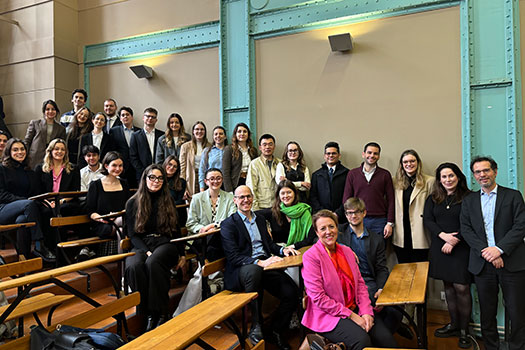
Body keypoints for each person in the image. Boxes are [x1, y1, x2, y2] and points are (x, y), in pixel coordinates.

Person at [301, 210, 396, 350]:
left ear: (337, 227)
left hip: (353, 306)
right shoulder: (311, 256)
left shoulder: (346, 251)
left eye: (331, 226)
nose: (328, 231)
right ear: (316, 232)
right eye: (322, 228)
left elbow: (360, 286)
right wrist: (352, 316)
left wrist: (366, 312)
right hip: (327, 315)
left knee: (387, 341)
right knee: (362, 341)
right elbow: (319, 298)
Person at [220, 185, 299, 349]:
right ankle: (256, 325)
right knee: (254, 271)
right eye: (241, 197)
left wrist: (282, 250)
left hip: (265, 266)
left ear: (252, 198)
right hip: (242, 269)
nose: (245, 200)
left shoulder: (261, 220)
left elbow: (269, 245)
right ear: (234, 200)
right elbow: (234, 257)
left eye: (248, 196)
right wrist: (260, 262)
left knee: (291, 291)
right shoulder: (228, 224)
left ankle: (275, 330)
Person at [460, 156, 525, 350]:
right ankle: (491, 347)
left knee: (517, 311)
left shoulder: (513, 196)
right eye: (478, 172)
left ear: (495, 171)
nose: (482, 175)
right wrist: (487, 252)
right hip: (483, 264)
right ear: (474, 176)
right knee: (487, 312)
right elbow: (466, 229)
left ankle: (517, 346)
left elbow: (520, 226)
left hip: (512, 263)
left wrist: (499, 250)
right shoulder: (469, 201)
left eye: (486, 170)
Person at [125, 164, 186, 331]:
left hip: (165, 243)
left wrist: (182, 254)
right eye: (152, 177)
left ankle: (160, 312)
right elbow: (133, 235)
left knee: (153, 262)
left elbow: (176, 228)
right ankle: (145, 311)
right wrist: (145, 250)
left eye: (160, 178)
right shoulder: (133, 203)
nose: (156, 181)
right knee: (134, 265)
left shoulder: (168, 200)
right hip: (142, 244)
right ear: (145, 179)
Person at [338, 198, 405, 340]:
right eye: (349, 213)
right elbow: (316, 241)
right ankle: (381, 337)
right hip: (350, 282)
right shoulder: (339, 234)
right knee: (371, 299)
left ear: (364, 213)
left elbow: (381, 268)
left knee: (397, 306)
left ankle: (385, 334)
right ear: (345, 215)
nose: (353, 216)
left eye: (357, 212)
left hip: (370, 280)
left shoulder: (376, 239)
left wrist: (381, 287)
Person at [423, 162, 472, 348]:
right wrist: (443, 237)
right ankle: (453, 324)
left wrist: (455, 240)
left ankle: (465, 331)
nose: (447, 179)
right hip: (439, 247)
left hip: (462, 248)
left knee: (462, 288)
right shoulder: (434, 197)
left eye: (451, 175)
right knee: (449, 287)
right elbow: (428, 219)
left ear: (458, 177)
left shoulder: (468, 197)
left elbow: (472, 223)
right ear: (439, 180)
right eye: (443, 176)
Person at [0, 138, 55, 261]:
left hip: (24, 211)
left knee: (23, 220)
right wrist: (24, 201)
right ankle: (39, 245)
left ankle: (24, 259)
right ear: (9, 152)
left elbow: (36, 193)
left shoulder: (29, 171)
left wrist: (44, 201)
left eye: (22, 149)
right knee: (29, 204)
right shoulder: (2, 169)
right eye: (15, 150)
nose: (20, 152)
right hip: (3, 209)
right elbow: (1, 195)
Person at [342, 142, 395, 238]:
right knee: (357, 251)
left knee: (378, 251)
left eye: (375, 153)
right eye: (369, 153)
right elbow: (346, 199)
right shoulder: (352, 174)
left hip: (379, 221)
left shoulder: (385, 174)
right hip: (358, 218)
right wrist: (350, 218)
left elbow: (391, 200)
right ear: (363, 154)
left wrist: (390, 223)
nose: (372, 156)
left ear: (379, 156)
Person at [392, 149, 434, 263]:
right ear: (401, 165)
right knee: (403, 271)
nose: (409, 164)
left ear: (418, 163)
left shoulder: (430, 181)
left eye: (412, 161)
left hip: (420, 232)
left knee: (421, 271)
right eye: (405, 162)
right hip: (401, 234)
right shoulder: (395, 182)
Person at [186, 168, 236, 260]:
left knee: (214, 244)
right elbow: (190, 224)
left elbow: (232, 220)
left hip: (221, 235)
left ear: (222, 180)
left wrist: (212, 226)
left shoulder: (230, 197)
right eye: (212, 179)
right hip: (201, 237)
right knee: (217, 244)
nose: (215, 181)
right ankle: (212, 271)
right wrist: (204, 230)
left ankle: (205, 271)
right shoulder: (197, 198)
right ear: (206, 181)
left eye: (218, 178)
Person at [257, 180, 316, 249]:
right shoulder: (273, 211)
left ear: (295, 193)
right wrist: (266, 229)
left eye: (289, 192)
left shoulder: (304, 211)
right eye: (282, 193)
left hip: (300, 249)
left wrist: (293, 246)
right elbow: (253, 215)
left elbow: (311, 238)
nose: (286, 196)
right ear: (278, 195)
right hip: (279, 252)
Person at [86, 152, 130, 239]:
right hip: (102, 223)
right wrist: (103, 218)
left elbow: (129, 206)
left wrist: (116, 215)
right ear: (106, 166)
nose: (118, 168)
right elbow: (90, 211)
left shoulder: (124, 184)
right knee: (120, 229)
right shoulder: (95, 185)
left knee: (121, 229)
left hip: (121, 220)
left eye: (120, 165)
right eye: (114, 165)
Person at [35, 138, 81, 216]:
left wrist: (60, 201)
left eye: (62, 149)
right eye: (56, 149)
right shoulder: (40, 168)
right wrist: (48, 203)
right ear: (50, 151)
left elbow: (75, 191)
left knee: (65, 208)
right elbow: (37, 191)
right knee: (45, 211)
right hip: (45, 202)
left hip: (65, 201)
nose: (60, 151)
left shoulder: (73, 168)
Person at [309, 142, 348, 220]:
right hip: (321, 217)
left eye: (334, 153)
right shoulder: (316, 175)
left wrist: (338, 213)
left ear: (339, 155)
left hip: (341, 217)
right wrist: (323, 212)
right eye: (328, 153)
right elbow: (313, 197)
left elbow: (348, 196)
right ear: (324, 156)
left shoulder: (347, 173)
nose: (331, 155)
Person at [24, 100, 67, 169]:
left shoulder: (61, 128)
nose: (50, 111)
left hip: (52, 158)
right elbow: (27, 141)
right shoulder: (35, 123)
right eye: (47, 109)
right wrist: (25, 156)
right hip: (34, 157)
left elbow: (62, 145)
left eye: (53, 109)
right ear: (44, 111)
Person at [246, 134, 280, 210]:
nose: (267, 147)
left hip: (278, 206)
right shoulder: (254, 164)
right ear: (260, 147)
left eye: (270, 144)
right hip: (261, 206)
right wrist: (255, 209)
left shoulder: (280, 163)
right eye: (264, 145)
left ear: (274, 147)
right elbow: (251, 188)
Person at [129, 107, 163, 183]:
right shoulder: (135, 135)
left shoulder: (162, 135)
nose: (150, 118)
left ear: (156, 120)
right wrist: (144, 172)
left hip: (159, 175)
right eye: (147, 116)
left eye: (153, 117)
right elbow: (133, 156)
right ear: (143, 118)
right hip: (142, 174)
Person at [222, 122, 258, 192]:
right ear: (235, 134)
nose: (242, 134)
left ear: (248, 134)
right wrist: (229, 191)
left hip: (250, 182)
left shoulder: (253, 150)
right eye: (239, 131)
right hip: (235, 184)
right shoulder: (229, 149)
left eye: (245, 131)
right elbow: (225, 172)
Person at [110, 106, 140, 188]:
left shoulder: (139, 131)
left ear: (132, 117)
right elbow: (112, 149)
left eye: (128, 114)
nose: (125, 116)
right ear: (120, 118)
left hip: (136, 168)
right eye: (123, 115)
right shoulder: (113, 131)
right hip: (120, 167)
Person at [179, 121, 211, 198]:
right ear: (193, 132)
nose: (199, 131)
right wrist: (183, 187)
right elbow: (182, 167)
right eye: (197, 129)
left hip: (206, 178)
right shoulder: (185, 146)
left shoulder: (210, 146)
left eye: (202, 129)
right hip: (190, 177)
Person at [198, 126, 227, 191]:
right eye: (216, 134)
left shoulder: (230, 151)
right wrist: (202, 187)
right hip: (211, 184)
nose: (218, 136)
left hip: (226, 185)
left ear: (225, 136)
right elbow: (202, 170)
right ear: (213, 137)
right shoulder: (207, 151)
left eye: (221, 134)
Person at [162, 155, 187, 226]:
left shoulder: (181, 182)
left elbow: (179, 201)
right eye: (169, 164)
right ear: (165, 164)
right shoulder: (158, 180)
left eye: (175, 166)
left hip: (176, 212)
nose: (171, 167)